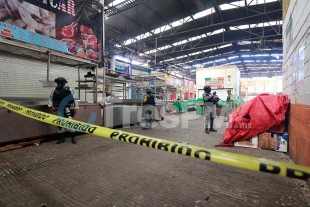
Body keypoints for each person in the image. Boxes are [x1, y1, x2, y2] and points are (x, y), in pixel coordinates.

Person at [48, 77, 79, 144]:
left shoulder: (69, 90)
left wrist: (76, 108)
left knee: (69, 123)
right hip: (58, 109)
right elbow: (50, 99)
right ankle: (61, 138)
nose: (58, 84)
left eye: (59, 83)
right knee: (59, 124)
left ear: (63, 83)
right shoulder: (54, 91)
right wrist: (51, 106)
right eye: (57, 83)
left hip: (66, 109)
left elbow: (75, 99)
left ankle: (73, 137)